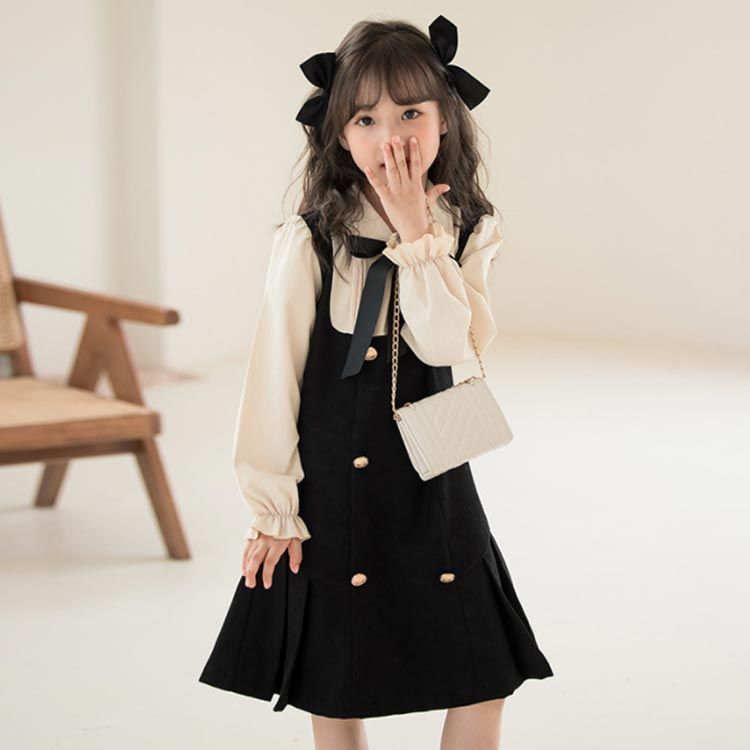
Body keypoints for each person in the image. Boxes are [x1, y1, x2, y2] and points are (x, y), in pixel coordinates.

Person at [199, 14, 553, 750]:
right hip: (335, 486)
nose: (391, 136)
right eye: (366, 118)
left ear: (446, 119)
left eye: (411, 112)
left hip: (435, 479)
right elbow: (273, 377)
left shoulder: (468, 228)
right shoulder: (310, 239)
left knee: (483, 673)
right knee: (334, 677)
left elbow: (452, 347)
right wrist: (273, 509)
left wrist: (416, 231)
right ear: (339, 133)